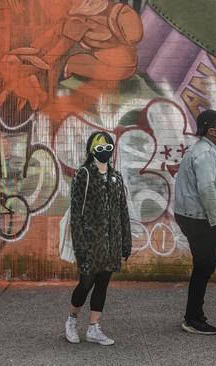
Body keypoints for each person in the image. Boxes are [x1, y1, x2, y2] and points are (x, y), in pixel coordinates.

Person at [174, 109, 216, 335]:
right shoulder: (205, 154)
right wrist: (215, 220)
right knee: (204, 267)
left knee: (203, 266)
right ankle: (193, 318)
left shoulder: (206, 150)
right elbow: (206, 188)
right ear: (211, 130)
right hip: (199, 218)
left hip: (193, 216)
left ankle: (193, 315)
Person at [64, 131, 132, 346]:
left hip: (111, 243)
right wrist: (80, 245)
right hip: (90, 243)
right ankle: (71, 320)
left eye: (108, 148)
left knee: (103, 284)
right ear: (91, 150)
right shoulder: (83, 175)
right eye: (100, 148)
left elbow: (123, 211)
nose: (105, 152)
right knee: (85, 283)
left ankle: (94, 328)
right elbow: (76, 213)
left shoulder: (116, 176)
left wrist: (126, 242)